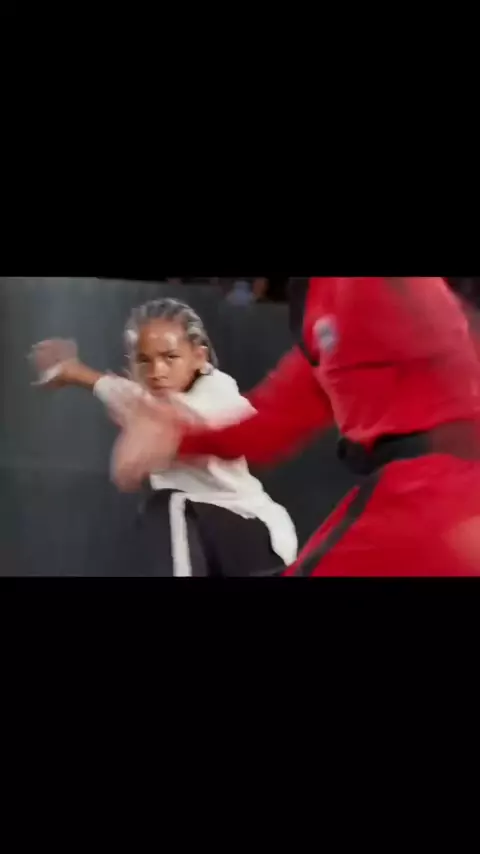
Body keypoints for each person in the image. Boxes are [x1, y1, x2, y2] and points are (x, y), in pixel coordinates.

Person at [110, 278, 480, 576]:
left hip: (436, 500)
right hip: (421, 508)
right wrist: (175, 437)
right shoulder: (323, 311)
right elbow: (270, 427)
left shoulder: (377, 289)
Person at [30, 298, 298, 577]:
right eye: (144, 360)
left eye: (170, 357)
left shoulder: (218, 391)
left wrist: (150, 431)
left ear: (199, 357)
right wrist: (71, 371)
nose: (157, 372)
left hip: (256, 537)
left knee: (167, 504)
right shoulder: (145, 398)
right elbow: (115, 389)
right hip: (211, 549)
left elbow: (189, 415)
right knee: (161, 516)